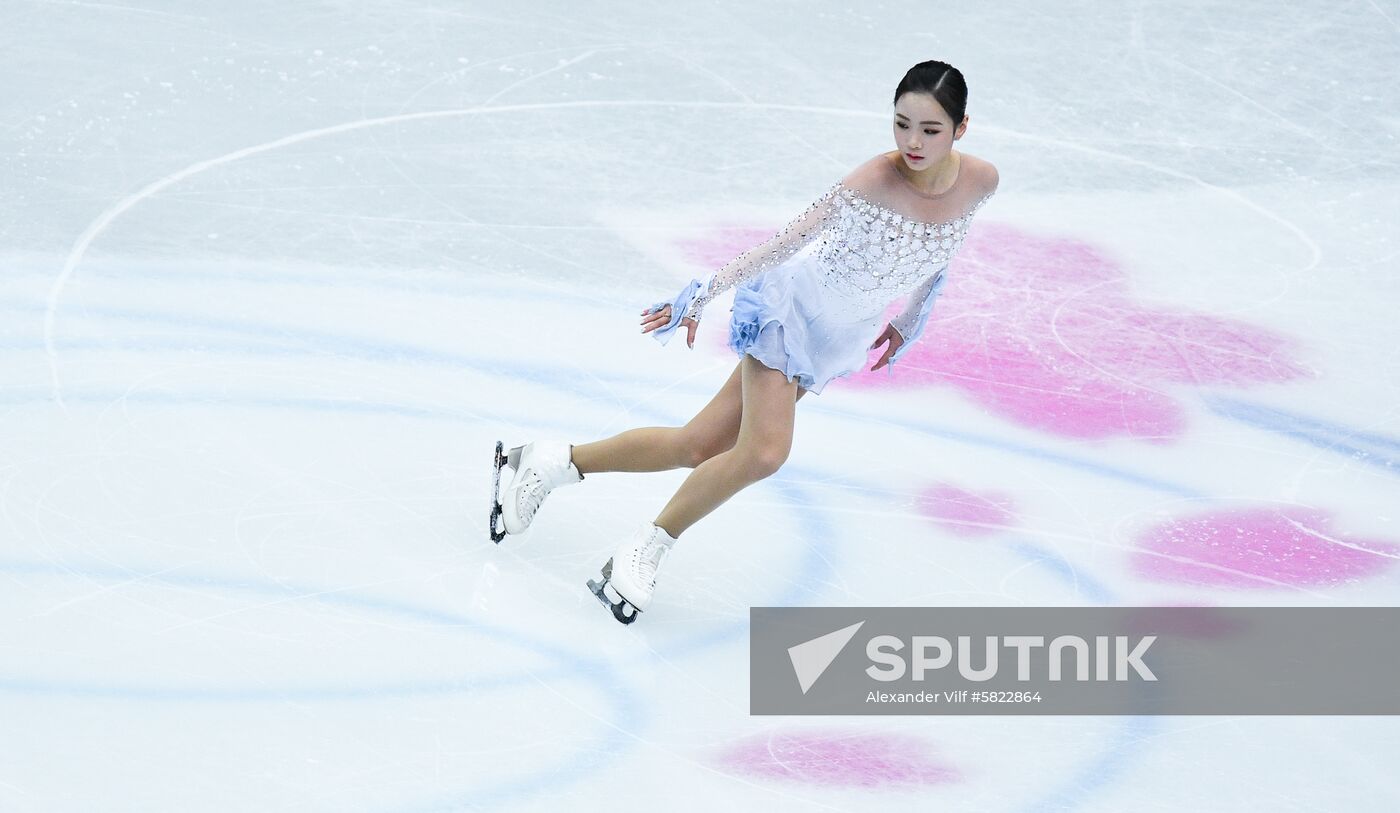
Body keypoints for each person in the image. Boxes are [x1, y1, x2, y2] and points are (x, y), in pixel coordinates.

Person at [490, 60, 999, 624]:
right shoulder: (872, 182)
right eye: (901, 124)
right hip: (791, 315)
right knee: (763, 453)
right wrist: (703, 294)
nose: (912, 142)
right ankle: (644, 549)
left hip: (837, 335)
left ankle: (544, 462)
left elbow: (942, 247)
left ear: (961, 127)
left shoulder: (981, 180)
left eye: (930, 129)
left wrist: (910, 318)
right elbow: (784, 244)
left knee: (698, 445)